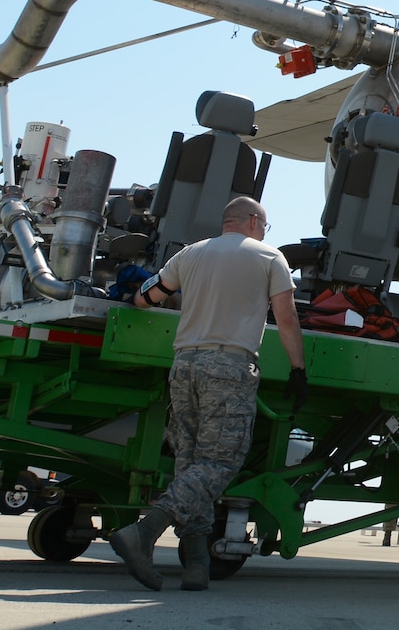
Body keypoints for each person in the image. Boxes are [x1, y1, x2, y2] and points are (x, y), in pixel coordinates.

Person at [109, 195, 307, 592]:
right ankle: (143, 532)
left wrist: (137, 296)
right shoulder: (270, 258)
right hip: (229, 367)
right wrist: (299, 369)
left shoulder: (189, 254)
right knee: (220, 462)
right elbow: (286, 319)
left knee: (191, 463)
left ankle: (197, 563)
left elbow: (148, 297)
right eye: (264, 225)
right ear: (253, 220)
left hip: (184, 365)